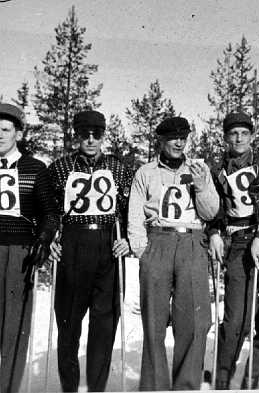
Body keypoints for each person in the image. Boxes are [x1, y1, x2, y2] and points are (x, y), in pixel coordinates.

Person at [128, 116, 219, 390]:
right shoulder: (145, 172)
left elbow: (211, 211)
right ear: (161, 140)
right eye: (172, 138)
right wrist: (142, 249)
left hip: (192, 242)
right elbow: (134, 214)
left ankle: (187, 385)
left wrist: (202, 186)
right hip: (158, 242)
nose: (179, 142)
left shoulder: (199, 169)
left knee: (194, 321)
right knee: (154, 322)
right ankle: (154, 386)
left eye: (183, 137)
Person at [48, 110, 133, 392]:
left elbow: (130, 210)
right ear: (76, 136)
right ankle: (69, 386)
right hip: (73, 244)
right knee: (69, 322)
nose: (91, 140)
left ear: (104, 136)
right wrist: (49, 238)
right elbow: (48, 210)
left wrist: (128, 240)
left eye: (97, 134)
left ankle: (97, 386)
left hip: (108, 245)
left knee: (104, 322)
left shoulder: (118, 167)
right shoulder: (60, 168)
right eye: (85, 134)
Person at [208, 112, 259, 389]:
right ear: (226, 137)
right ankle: (221, 379)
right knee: (235, 321)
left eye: (244, 133)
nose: (239, 138)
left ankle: (250, 380)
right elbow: (213, 212)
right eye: (233, 133)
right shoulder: (217, 171)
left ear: (252, 137)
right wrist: (213, 233)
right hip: (237, 243)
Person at [0, 103, 59, 393]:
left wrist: (44, 238)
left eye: (5, 130)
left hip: (18, 253)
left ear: (18, 134)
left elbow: (50, 212)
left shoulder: (34, 168)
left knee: (13, 327)